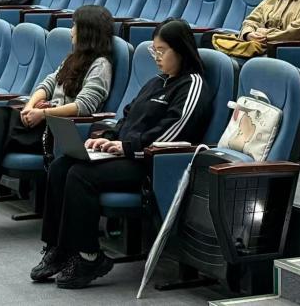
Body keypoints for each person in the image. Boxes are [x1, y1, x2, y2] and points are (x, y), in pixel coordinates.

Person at [32, 18, 211, 289]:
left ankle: (88, 256)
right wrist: (107, 138)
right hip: (125, 154)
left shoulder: (193, 84)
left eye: (162, 51)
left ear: (182, 50)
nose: (156, 58)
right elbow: (127, 118)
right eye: (154, 51)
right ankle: (58, 248)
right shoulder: (156, 82)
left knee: (80, 174)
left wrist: (127, 147)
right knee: (60, 167)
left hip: (151, 164)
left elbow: (174, 131)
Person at [0, 4, 115, 238]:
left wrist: (44, 114)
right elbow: (47, 84)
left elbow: (84, 106)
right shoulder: (73, 58)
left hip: (61, 133)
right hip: (45, 122)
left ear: (88, 31)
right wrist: (30, 106)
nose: (71, 31)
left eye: (75, 26)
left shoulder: (101, 65)